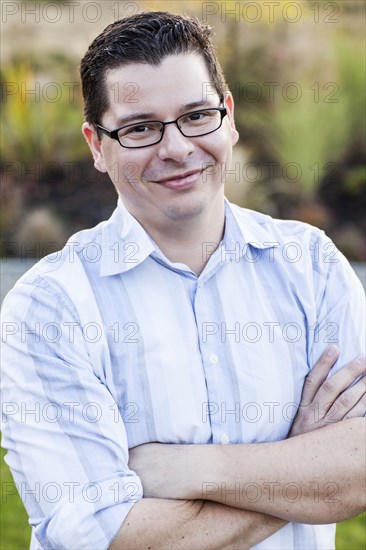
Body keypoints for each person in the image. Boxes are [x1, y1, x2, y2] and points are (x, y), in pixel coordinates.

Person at [1, 11, 365, 550]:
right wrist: (302, 465)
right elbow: (98, 536)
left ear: (229, 117)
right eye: (140, 127)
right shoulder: (50, 307)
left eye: (197, 115)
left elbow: (357, 471)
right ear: (96, 146)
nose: (176, 148)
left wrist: (189, 469)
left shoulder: (311, 267)